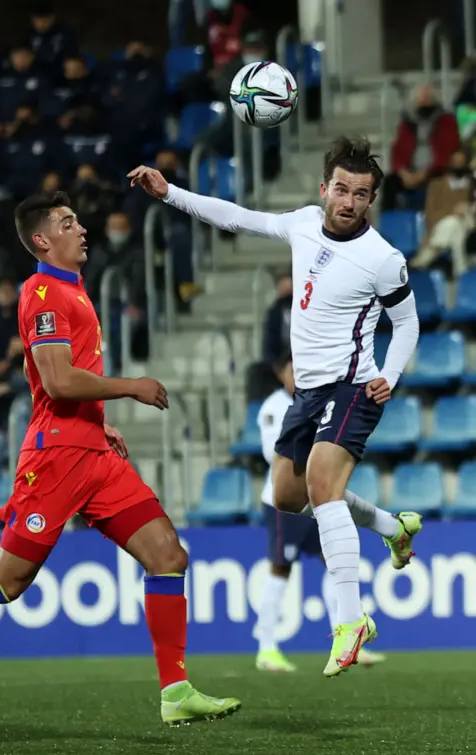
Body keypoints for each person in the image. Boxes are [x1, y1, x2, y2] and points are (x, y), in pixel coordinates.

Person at [0, 191, 241, 726]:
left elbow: (66, 380)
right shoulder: (44, 293)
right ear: (41, 240)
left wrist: (102, 418)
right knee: (8, 581)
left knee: (168, 555)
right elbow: (56, 380)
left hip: (94, 452)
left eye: (77, 219)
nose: (82, 229)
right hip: (55, 457)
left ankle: (175, 691)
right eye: (67, 222)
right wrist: (130, 387)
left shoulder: (74, 290)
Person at [128, 135, 423, 677]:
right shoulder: (304, 222)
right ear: (324, 188)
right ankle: (391, 528)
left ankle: (350, 618)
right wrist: (170, 193)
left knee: (321, 486)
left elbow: (407, 323)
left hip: (353, 386)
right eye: (341, 189)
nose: (349, 201)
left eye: (361, 194)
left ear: (371, 200)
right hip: (307, 393)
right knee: (288, 497)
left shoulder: (383, 259)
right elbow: (236, 216)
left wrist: (389, 374)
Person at [254, 353, 385, 672]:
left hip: (316, 496)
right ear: (280, 373)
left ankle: (346, 634)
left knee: (334, 564)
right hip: (284, 502)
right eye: (292, 370)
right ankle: (266, 648)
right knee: (280, 569)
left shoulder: (317, 400)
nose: (298, 375)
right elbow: (277, 456)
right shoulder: (274, 407)